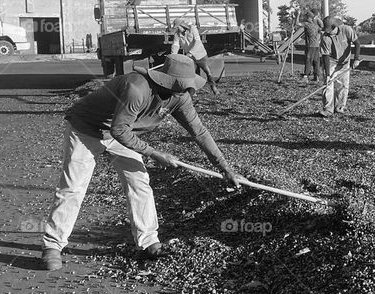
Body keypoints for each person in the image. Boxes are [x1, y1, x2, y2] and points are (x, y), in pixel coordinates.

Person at [40, 54, 239, 271]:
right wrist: (154, 153)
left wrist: (224, 167)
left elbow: (199, 132)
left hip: (123, 133)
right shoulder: (137, 88)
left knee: (139, 183)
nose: (187, 92)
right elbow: (118, 129)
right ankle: (53, 245)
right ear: (167, 81)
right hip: (87, 129)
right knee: (73, 187)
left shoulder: (179, 97)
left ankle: (148, 242)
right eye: (182, 86)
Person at [319, 14, 360, 117]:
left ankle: (340, 107)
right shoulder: (325, 38)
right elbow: (325, 56)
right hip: (332, 62)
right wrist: (328, 74)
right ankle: (328, 109)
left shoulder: (346, 30)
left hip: (345, 63)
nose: (327, 32)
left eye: (329, 30)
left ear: (334, 27)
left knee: (343, 86)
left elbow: (357, 43)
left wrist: (356, 59)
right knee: (328, 85)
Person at [172, 15, 220, 95]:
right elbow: (175, 45)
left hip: (200, 55)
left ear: (182, 25)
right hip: (190, 58)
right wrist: (173, 56)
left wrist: (190, 53)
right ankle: (193, 92)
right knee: (191, 74)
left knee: (208, 72)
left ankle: (214, 88)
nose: (178, 29)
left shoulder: (192, 29)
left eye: (178, 27)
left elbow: (197, 42)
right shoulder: (177, 34)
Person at [300, 12, 322, 85]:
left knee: (308, 59)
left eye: (306, 17)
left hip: (310, 46)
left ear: (309, 18)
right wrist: (318, 19)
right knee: (316, 60)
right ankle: (317, 76)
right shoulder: (316, 26)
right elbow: (322, 27)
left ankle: (306, 76)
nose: (305, 18)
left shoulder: (307, 24)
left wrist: (296, 15)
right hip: (316, 45)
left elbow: (297, 23)